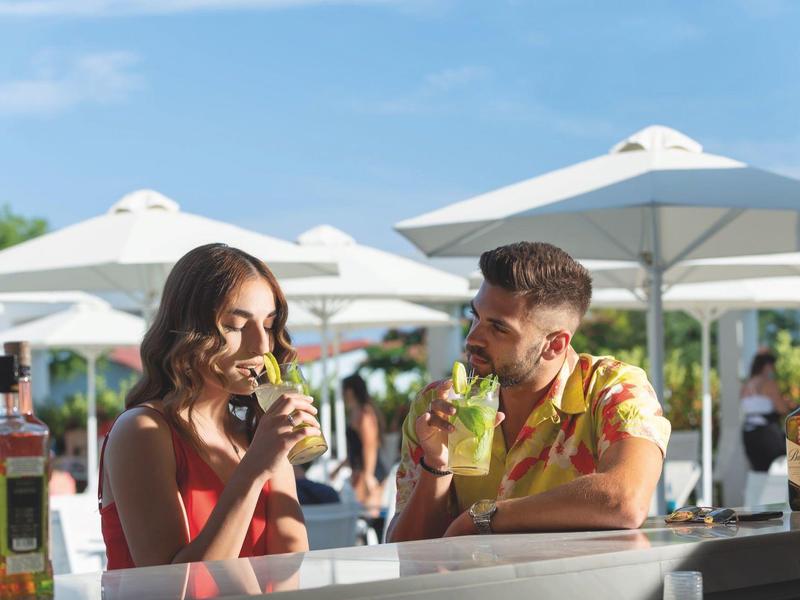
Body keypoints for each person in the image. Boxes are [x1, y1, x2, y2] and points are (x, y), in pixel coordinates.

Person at [387, 242, 671, 541]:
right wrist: (437, 466)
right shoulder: (437, 406)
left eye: (498, 328)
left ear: (555, 345)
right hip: (467, 588)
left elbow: (625, 500)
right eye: (475, 317)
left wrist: (483, 518)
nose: (472, 338)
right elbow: (404, 551)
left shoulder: (611, 389)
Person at [99, 243, 320, 568]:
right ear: (191, 330)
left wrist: (279, 456)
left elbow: (290, 562)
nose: (261, 345)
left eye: (269, 325)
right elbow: (176, 585)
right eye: (235, 325)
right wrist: (255, 469)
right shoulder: (143, 430)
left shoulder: (253, 433)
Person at [741, 351, 795, 471]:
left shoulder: (746, 385)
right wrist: (789, 404)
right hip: (766, 434)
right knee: (779, 466)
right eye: (773, 366)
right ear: (766, 366)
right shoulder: (768, 383)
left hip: (748, 434)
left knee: (759, 471)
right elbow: (781, 409)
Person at [341, 373, 387, 511]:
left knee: (368, 519)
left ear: (349, 391)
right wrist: (338, 468)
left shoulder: (364, 414)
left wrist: (368, 476)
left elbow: (370, 446)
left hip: (369, 473)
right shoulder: (356, 412)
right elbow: (356, 448)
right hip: (361, 472)